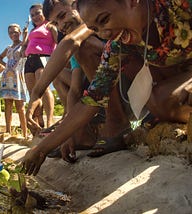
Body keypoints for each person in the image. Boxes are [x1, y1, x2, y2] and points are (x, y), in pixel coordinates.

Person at [23, 0, 192, 175]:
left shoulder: (176, 6)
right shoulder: (117, 44)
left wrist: (37, 93)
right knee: (161, 101)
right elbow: (92, 99)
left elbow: (71, 42)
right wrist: (41, 149)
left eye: (104, 20)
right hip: (171, 83)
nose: (104, 34)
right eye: (95, 29)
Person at [26, 0, 105, 161]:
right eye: (56, 23)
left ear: (76, 6)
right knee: (62, 74)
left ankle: (114, 122)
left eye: (62, 16)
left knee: (84, 47)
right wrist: (68, 133)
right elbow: (75, 89)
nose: (61, 25)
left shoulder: (91, 26)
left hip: (125, 86)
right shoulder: (76, 44)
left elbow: (70, 42)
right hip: (102, 91)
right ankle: (81, 135)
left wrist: (36, 93)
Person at [22, 3, 57, 132]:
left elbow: (59, 43)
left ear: (44, 12)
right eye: (32, 15)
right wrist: (23, 48)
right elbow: (24, 45)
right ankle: (38, 121)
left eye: (38, 13)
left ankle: (49, 121)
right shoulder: (32, 30)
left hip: (43, 58)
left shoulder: (50, 25)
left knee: (44, 89)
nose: (35, 16)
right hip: (29, 60)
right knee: (33, 94)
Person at [0, 23, 28, 138]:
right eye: (11, 32)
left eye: (15, 32)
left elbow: (23, 52)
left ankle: (25, 133)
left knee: (19, 104)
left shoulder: (23, 43)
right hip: (7, 76)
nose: (13, 34)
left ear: (20, 32)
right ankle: (8, 130)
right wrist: (6, 65)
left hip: (18, 75)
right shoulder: (8, 48)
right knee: (8, 103)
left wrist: (25, 36)